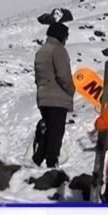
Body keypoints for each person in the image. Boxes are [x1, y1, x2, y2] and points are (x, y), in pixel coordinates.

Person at [34, 22, 75, 168]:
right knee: (56, 133)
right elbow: (63, 75)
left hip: (43, 97)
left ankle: (38, 160)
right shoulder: (58, 50)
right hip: (57, 98)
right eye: (66, 35)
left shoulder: (41, 51)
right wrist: (71, 89)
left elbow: (37, 77)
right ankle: (52, 164)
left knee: (48, 131)